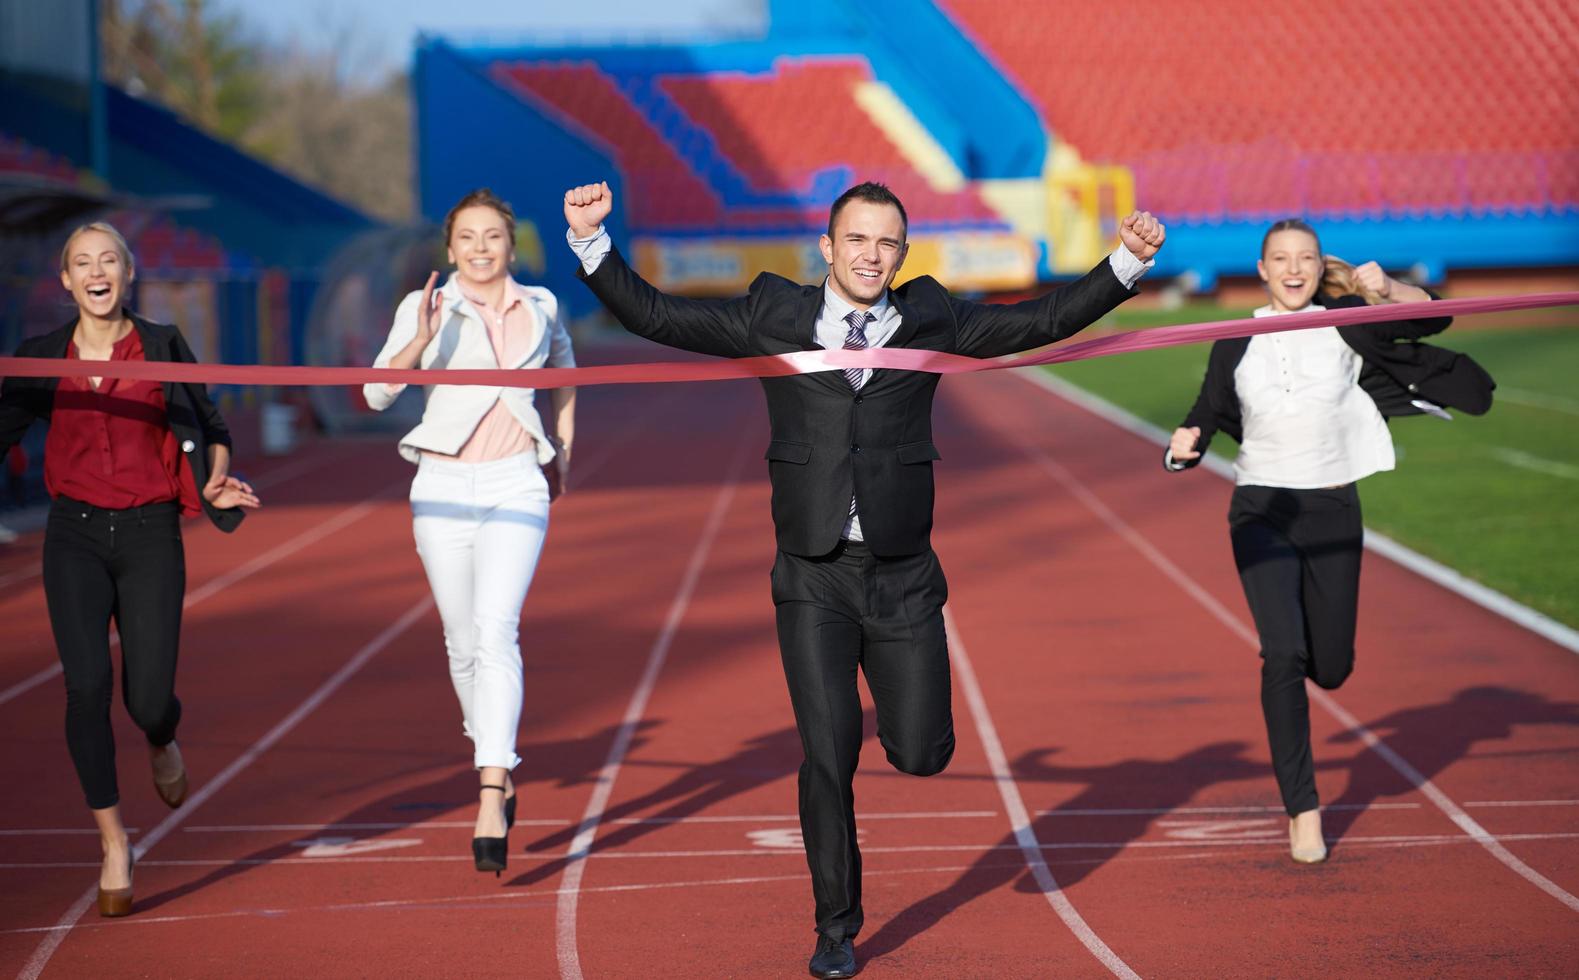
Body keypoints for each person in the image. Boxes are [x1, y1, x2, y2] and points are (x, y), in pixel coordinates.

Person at [563, 179, 1164, 978]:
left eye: (886, 243)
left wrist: (1126, 259)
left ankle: (907, 733)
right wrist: (590, 244)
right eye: (857, 240)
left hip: (903, 574)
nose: (871, 256)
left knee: (919, 752)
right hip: (811, 573)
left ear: (902, 253)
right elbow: (659, 316)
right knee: (826, 754)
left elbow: (1038, 321)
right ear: (827, 246)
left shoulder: (932, 319)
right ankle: (834, 930)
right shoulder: (770, 315)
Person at [1164, 217, 1493, 864]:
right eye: (1280, 259)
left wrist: (1390, 287)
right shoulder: (1236, 339)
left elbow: (1433, 321)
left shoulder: (1344, 317)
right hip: (1260, 507)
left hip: (1333, 507)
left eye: (1305, 259)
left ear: (1318, 268)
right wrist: (1183, 447)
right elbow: (1206, 411)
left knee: (1332, 669)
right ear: (1260, 270)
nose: (1292, 269)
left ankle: (1318, 678)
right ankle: (1302, 810)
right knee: (1281, 654)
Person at [0, 222, 259, 917]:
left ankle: (162, 734)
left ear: (128, 270)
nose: (96, 270)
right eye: (81, 262)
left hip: (149, 534)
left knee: (145, 700)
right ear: (65, 280)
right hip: (72, 536)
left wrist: (214, 480)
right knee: (85, 688)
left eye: (107, 258)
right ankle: (114, 841)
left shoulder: (163, 345)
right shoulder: (41, 358)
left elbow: (213, 430)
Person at [363, 188, 576, 876]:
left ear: (510, 247)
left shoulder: (541, 306)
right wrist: (419, 341)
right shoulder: (425, 307)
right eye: (467, 239)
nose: (480, 249)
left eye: (492, 238)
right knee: (460, 644)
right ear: (450, 249)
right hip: (443, 486)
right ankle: (495, 758)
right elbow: (375, 393)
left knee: (495, 630)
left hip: (517, 480)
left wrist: (561, 447)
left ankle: (490, 787)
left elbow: (566, 375)